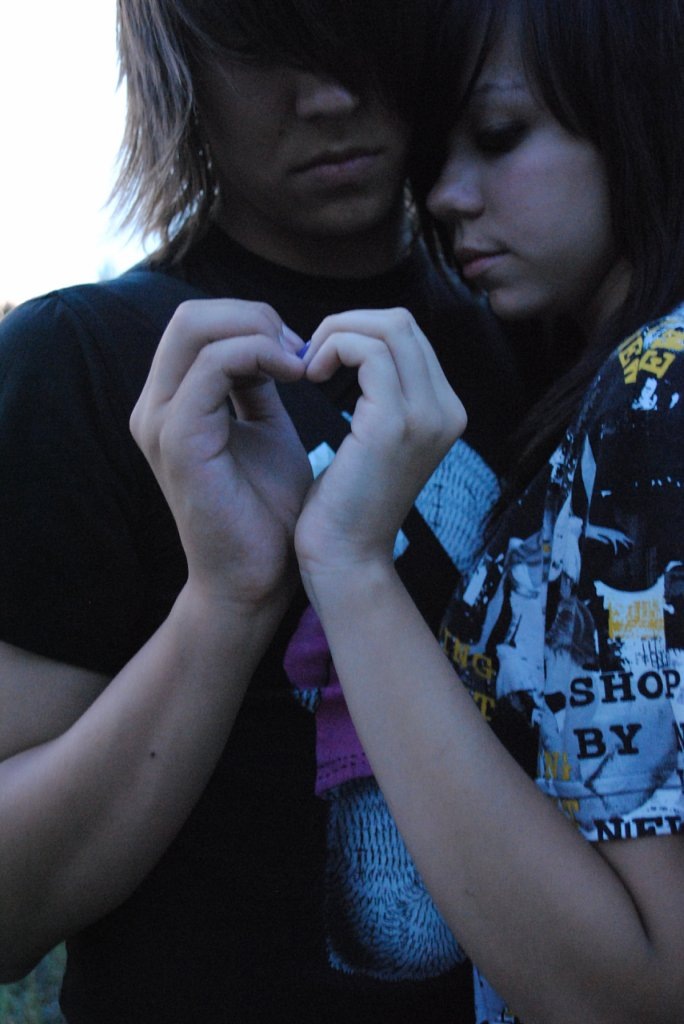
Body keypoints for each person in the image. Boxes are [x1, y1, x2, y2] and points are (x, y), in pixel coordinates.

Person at [0, 1, 525, 1022]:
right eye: (259, 50)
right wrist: (227, 603)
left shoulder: (542, 331)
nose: (327, 97)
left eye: (363, 37)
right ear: (177, 72)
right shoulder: (82, 361)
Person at [289, 1, 684, 1022]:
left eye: (501, 136)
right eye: (438, 158)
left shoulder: (652, 397)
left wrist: (350, 563)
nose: (446, 196)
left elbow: (645, 985)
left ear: (641, 108)